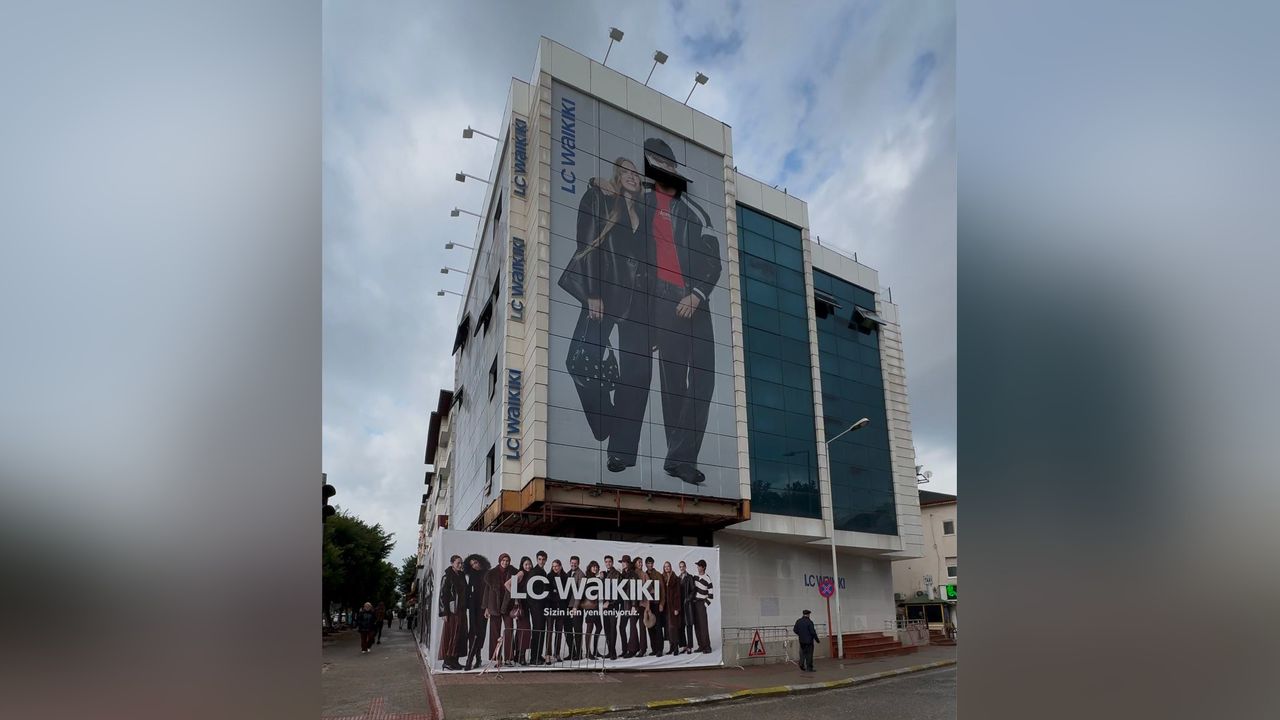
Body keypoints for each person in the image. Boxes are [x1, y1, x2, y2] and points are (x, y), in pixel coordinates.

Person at [609, 137, 721, 485]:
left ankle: (680, 455)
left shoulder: (695, 212)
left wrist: (698, 294)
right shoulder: (638, 203)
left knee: (703, 379)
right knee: (672, 382)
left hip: (695, 300)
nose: (665, 169)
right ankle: (679, 460)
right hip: (659, 302)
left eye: (669, 163)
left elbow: (713, 261)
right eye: (657, 163)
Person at [558, 157, 646, 445]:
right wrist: (593, 293)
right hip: (606, 295)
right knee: (578, 360)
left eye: (635, 172)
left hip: (638, 303)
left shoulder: (645, 212)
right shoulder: (602, 200)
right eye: (624, 171)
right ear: (616, 177)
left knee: (634, 371)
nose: (631, 175)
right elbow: (587, 244)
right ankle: (605, 422)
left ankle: (614, 426)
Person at [483, 553, 516, 665]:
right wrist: (486, 608)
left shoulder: (514, 572)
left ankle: (508, 658)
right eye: (503, 560)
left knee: (509, 630)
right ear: (499, 561)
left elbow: (517, 590)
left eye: (507, 560)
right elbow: (487, 592)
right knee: (494, 633)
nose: (505, 562)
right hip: (494, 605)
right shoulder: (491, 573)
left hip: (508, 605)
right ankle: (497, 658)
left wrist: (517, 604)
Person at [437, 555, 468, 670]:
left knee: (460, 635)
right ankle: (447, 661)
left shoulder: (462, 576)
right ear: (452, 563)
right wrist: (443, 612)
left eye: (461, 563)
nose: (460, 565)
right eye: (458, 563)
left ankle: (455, 661)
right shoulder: (447, 577)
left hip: (461, 610)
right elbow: (442, 595)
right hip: (452, 611)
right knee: (451, 635)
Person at [463, 554, 490, 670]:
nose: (474, 566)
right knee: (473, 631)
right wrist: (467, 604)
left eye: (476, 563)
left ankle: (472, 659)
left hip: (483, 606)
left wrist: (488, 607)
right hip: (473, 606)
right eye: (472, 564)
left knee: (480, 632)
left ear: (480, 562)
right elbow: (469, 590)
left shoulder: (488, 574)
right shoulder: (472, 575)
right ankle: (474, 659)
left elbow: (490, 591)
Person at [510, 556, 535, 665]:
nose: (528, 566)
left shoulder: (531, 574)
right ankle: (521, 657)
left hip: (528, 605)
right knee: (525, 631)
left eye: (529, 564)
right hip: (522, 606)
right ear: (522, 565)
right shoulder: (521, 573)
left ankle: (517, 655)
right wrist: (516, 597)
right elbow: (508, 584)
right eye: (526, 564)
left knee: (521, 630)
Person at [545, 559, 569, 663]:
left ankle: (557, 653)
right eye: (553, 566)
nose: (555, 568)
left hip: (561, 608)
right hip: (551, 607)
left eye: (557, 566)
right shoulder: (549, 576)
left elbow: (567, 593)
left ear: (560, 566)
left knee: (559, 631)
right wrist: (555, 595)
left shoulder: (565, 577)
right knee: (549, 631)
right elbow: (547, 592)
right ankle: (548, 654)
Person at [565, 556, 587, 661]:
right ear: (570, 563)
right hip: (568, 606)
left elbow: (580, 592)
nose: (573, 564)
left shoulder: (581, 574)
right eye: (572, 562)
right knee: (568, 630)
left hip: (576, 607)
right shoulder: (568, 573)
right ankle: (571, 652)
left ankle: (578, 653)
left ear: (578, 563)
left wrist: (575, 607)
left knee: (577, 630)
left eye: (575, 563)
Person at [660, 561, 683, 656]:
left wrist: (677, 608)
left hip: (673, 607)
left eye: (668, 566)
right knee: (668, 628)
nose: (667, 568)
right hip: (666, 607)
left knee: (673, 627)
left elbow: (678, 594)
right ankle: (671, 647)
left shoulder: (675, 578)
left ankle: (676, 647)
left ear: (670, 567)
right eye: (665, 567)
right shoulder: (662, 578)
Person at [692, 559, 714, 653]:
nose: (698, 567)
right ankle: (701, 646)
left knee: (703, 626)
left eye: (699, 566)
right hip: (694, 603)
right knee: (697, 626)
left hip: (701, 603)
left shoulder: (707, 579)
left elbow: (711, 595)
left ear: (703, 567)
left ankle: (707, 647)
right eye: (697, 565)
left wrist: (704, 604)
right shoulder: (695, 576)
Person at [644, 557, 665, 656]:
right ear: (646, 564)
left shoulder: (658, 575)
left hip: (656, 603)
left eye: (651, 563)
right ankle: (654, 649)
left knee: (658, 627)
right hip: (648, 604)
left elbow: (662, 590)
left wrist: (662, 603)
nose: (650, 565)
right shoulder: (644, 574)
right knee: (650, 626)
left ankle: (660, 649)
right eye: (648, 563)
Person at [582, 560, 602, 659]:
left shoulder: (596, 579)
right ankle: (588, 652)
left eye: (596, 567)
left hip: (596, 607)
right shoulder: (587, 579)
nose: (595, 568)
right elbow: (584, 593)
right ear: (590, 568)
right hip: (590, 607)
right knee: (589, 629)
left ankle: (595, 650)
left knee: (599, 627)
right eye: (593, 567)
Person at [678, 560, 696, 654]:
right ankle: (684, 646)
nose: (682, 568)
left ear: (685, 567)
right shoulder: (678, 578)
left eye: (683, 566)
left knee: (689, 626)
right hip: (680, 605)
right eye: (680, 567)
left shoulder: (690, 577)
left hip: (687, 605)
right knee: (681, 626)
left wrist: (688, 599)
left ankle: (690, 647)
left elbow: (693, 590)